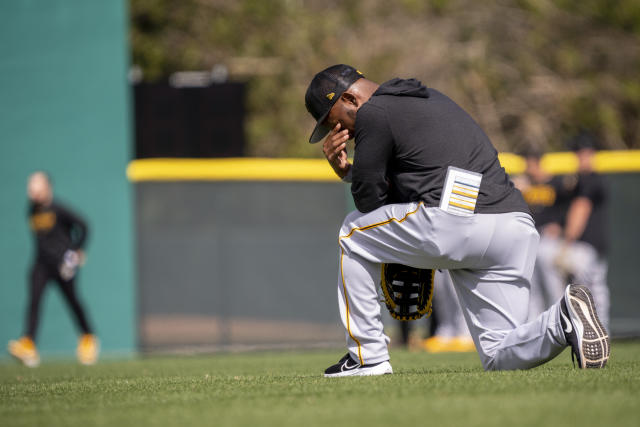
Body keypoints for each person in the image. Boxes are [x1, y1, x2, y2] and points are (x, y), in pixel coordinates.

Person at [304, 64, 609, 376]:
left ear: (349, 100)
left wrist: (344, 172)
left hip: (455, 225)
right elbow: (417, 184)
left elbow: (369, 202)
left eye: (333, 122)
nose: (340, 133)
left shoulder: (374, 111)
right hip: (514, 227)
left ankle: (366, 357)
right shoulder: (429, 98)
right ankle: (563, 319)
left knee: (353, 232)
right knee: (499, 353)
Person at [8, 171, 99, 367]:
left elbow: (83, 226)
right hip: (41, 264)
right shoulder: (32, 210)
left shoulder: (58, 209)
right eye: (30, 185)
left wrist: (75, 252)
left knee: (73, 301)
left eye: (36, 184)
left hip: (63, 265)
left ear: (47, 186)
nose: (32, 189)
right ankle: (29, 344)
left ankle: (88, 338)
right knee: (34, 301)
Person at [513, 149, 576, 319]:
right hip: (532, 239)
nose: (528, 168)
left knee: (552, 282)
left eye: (530, 164)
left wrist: (561, 227)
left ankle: (561, 319)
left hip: (551, 241)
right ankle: (535, 323)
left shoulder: (556, 183)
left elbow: (569, 208)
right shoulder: (525, 184)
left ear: (538, 163)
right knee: (531, 284)